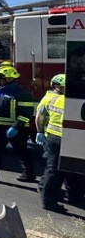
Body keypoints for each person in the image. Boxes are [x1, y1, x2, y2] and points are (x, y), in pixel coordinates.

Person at [0, 64, 36, 183]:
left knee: (21, 151)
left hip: (16, 129)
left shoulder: (21, 93)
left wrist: (15, 127)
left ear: (9, 79)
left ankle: (29, 174)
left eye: (0, 79)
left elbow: (26, 114)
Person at [36, 74, 82, 212]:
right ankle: (50, 202)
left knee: (58, 169)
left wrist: (40, 132)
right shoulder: (72, 100)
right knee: (60, 170)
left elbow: (40, 116)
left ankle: (72, 196)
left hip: (53, 137)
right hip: (66, 139)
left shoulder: (51, 98)